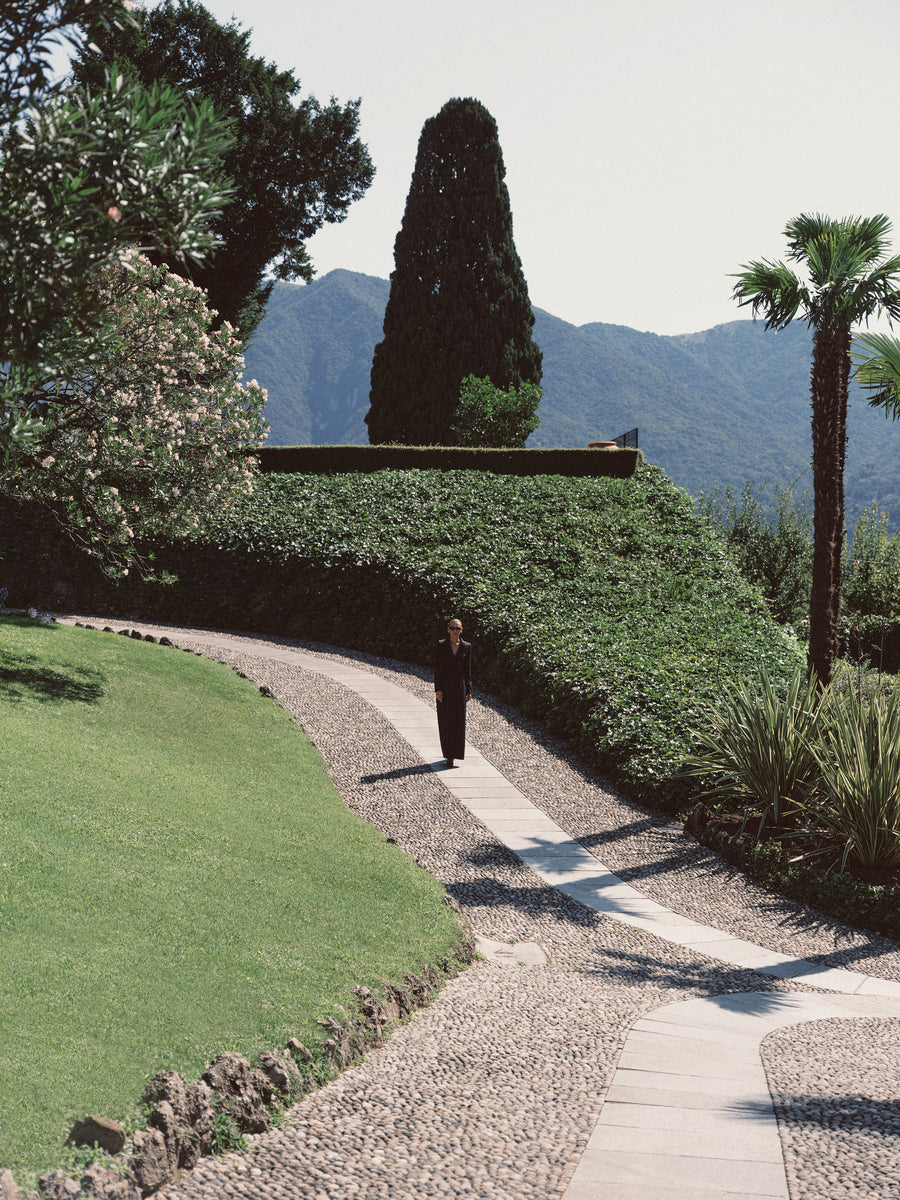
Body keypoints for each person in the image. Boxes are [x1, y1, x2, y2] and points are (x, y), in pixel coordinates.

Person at [433, 617, 472, 768]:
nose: (456, 631)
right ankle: (449, 755)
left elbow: (467, 670)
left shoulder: (466, 646)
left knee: (458, 721)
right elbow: (438, 669)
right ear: (448, 629)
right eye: (453, 628)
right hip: (445, 687)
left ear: (462, 630)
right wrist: (438, 689)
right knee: (446, 721)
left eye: (459, 628)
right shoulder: (441, 645)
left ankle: (456, 754)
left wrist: (469, 690)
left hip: (460, 687)